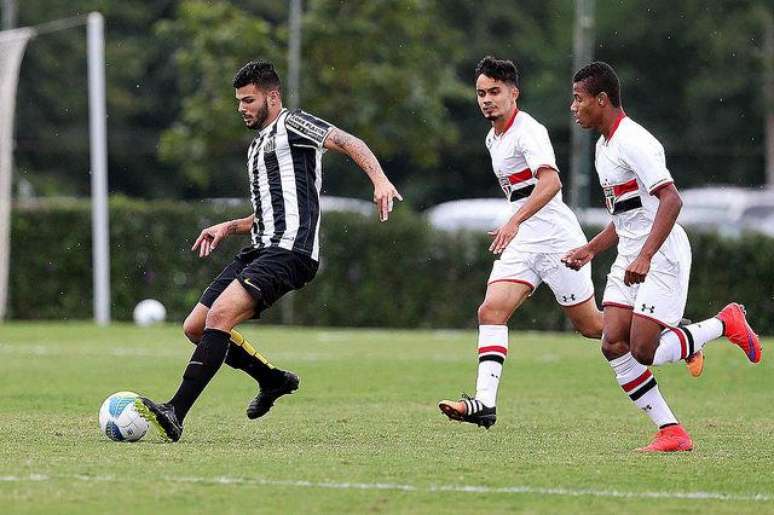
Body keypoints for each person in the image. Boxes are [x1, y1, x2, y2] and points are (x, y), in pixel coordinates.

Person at [134, 59, 402, 442]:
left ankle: (175, 412)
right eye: (239, 101)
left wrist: (379, 180)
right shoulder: (257, 145)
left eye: (249, 100)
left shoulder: (293, 125)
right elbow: (268, 213)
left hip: (291, 252)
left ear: (272, 96)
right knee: (195, 327)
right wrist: (229, 227)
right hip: (260, 248)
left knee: (220, 317)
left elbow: (348, 141)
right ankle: (271, 379)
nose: (242, 107)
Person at [564, 61, 761, 452]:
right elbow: (625, 218)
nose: (573, 107)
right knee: (611, 342)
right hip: (631, 254)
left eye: (578, 99)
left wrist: (647, 256)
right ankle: (671, 431)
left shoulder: (634, 141)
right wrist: (590, 248)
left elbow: (671, 199)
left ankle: (725, 323)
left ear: (602, 100)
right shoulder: (604, 147)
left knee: (644, 350)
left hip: (662, 254)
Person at [437, 56, 604, 430]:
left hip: (558, 241)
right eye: (481, 93)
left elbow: (551, 183)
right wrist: (517, 224)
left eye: (494, 91)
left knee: (593, 327)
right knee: (491, 311)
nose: (486, 100)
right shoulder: (491, 137)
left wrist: (513, 220)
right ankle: (484, 403)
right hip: (525, 241)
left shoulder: (528, 130)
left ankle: (677, 334)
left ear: (514, 93)